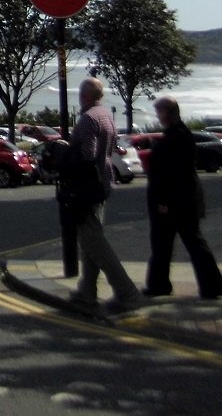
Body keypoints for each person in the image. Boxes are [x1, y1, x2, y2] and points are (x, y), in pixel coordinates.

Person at [143, 96, 222, 299]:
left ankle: (162, 285)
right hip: (183, 200)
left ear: (167, 113)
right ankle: (211, 285)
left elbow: (173, 173)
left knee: (168, 244)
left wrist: (164, 201)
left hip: (175, 201)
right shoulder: (180, 134)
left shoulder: (176, 137)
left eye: (159, 111)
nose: (157, 115)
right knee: (185, 243)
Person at [66, 77, 140, 312]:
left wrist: (67, 151)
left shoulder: (88, 119)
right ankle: (87, 291)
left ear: (84, 95)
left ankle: (127, 292)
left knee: (93, 241)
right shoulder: (106, 115)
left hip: (87, 186)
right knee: (90, 238)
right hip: (103, 182)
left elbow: (87, 155)